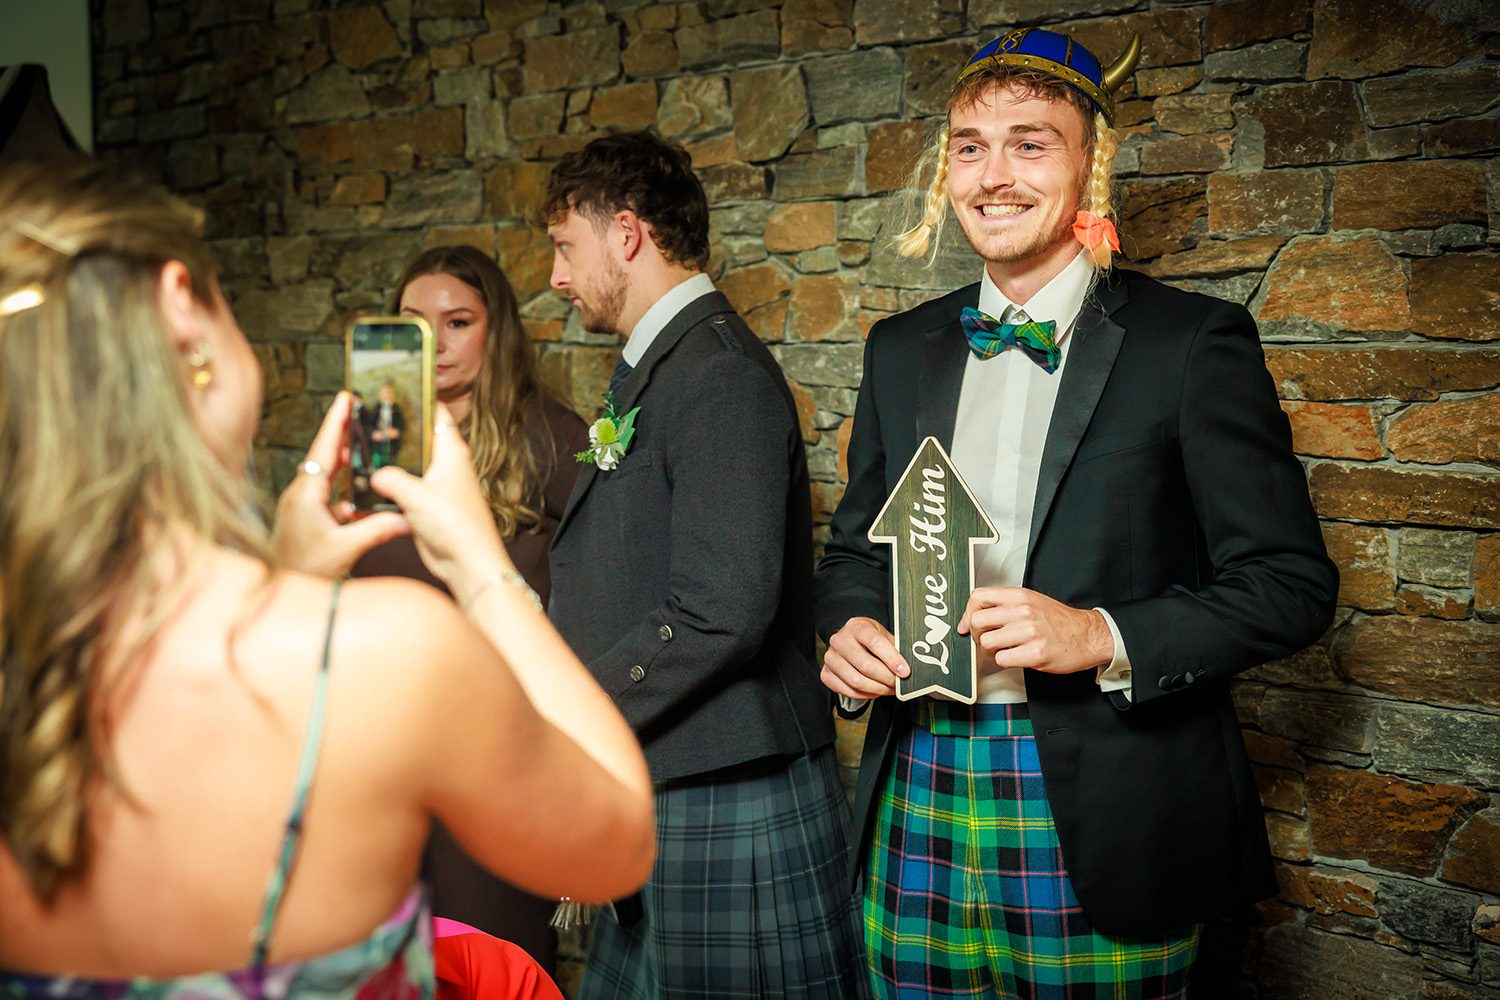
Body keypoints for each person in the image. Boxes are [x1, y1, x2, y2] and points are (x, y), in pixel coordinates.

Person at [0, 157, 653, 995]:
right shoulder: (389, 651)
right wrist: (479, 566)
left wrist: (286, 574)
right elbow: (614, 842)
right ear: (181, 307)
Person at [814, 27, 1339, 999]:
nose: (993, 175)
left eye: (1030, 143)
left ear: (1090, 163)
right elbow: (853, 554)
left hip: (1109, 806)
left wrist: (1101, 635)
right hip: (916, 775)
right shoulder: (899, 347)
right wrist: (847, 629)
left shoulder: (1192, 343)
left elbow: (1291, 585)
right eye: (971, 146)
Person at [544, 130, 869, 999]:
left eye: (565, 247)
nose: (557, 276)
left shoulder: (717, 373)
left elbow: (724, 607)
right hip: (670, 773)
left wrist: (577, 706)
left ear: (626, 233)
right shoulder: (664, 365)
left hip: (728, 789)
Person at [353, 244, 588, 976]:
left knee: (492, 956)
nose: (436, 343)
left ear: (497, 330)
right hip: (382, 751)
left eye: (457, 322)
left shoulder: (552, 439)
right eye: (414, 325)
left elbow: (590, 599)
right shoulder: (371, 445)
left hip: (495, 753)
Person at [370, 380, 406, 468]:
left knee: (391, 463)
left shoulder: (396, 410)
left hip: (391, 445)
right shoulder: (376, 409)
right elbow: (369, 425)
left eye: (388, 393)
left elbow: (402, 427)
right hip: (378, 444)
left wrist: (396, 432)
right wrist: (373, 433)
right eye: (384, 393)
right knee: (378, 462)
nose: (386, 395)